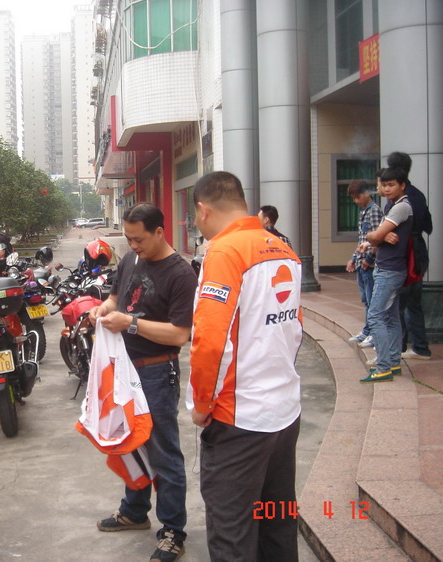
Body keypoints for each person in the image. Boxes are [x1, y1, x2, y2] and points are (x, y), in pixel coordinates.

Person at [189, 171, 303, 561]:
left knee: (233, 534)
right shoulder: (283, 249)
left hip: (239, 421)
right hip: (285, 413)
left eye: (195, 217)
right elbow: (293, 330)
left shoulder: (224, 252)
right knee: (277, 523)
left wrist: (201, 404)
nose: (197, 225)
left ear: (203, 209)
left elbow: (210, 341)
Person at [89, 202, 196, 562]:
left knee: (163, 452)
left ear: (159, 232)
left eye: (139, 239)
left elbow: (180, 334)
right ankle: (134, 511)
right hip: (123, 368)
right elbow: (115, 297)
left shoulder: (180, 274)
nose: (133, 246)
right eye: (129, 239)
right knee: (129, 443)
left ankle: (173, 530)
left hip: (156, 372)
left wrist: (130, 324)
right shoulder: (130, 259)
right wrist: (103, 310)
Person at [359, 166, 414, 382]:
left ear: (402, 185)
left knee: (375, 316)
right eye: (384, 185)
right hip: (388, 268)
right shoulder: (392, 206)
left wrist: (376, 236)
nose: (386, 189)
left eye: (391, 185)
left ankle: (383, 367)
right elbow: (377, 239)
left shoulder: (401, 207)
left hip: (390, 270)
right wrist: (379, 237)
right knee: (391, 317)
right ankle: (393, 362)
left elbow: (374, 236)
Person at [386, 152, 433, 360]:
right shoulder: (418, 195)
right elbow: (428, 226)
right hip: (418, 252)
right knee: (412, 301)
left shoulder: (400, 201)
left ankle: (401, 347)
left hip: (405, 253)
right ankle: (418, 346)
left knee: (398, 302)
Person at [345, 180, 383, 349]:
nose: (356, 201)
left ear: (366, 193)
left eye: (357, 197)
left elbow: (377, 239)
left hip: (370, 265)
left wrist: (369, 260)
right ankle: (367, 330)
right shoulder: (363, 211)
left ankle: (373, 333)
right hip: (362, 263)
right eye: (353, 198)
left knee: (372, 301)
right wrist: (354, 258)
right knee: (366, 300)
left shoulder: (374, 211)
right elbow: (362, 239)